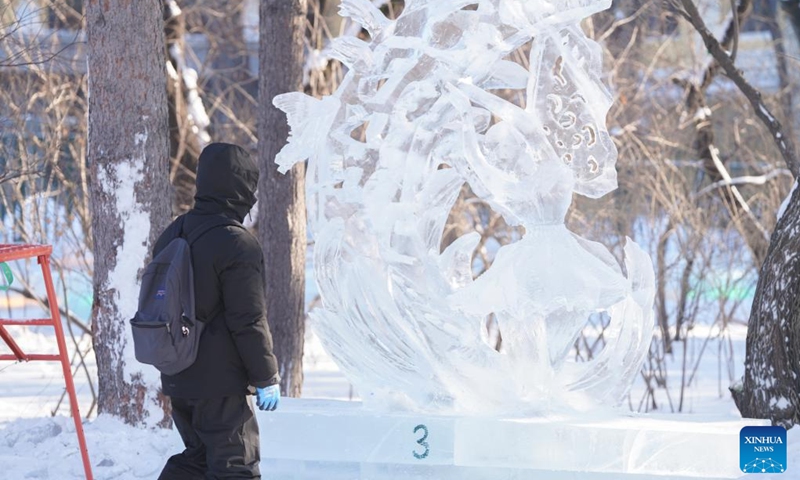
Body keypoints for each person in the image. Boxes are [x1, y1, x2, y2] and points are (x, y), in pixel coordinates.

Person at [156, 142, 281, 480]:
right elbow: (248, 320)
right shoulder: (236, 243)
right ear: (241, 188)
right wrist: (266, 377)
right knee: (235, 467)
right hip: (220, 385)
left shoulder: (173, 233)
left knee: (196, 461)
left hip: (178, 375)